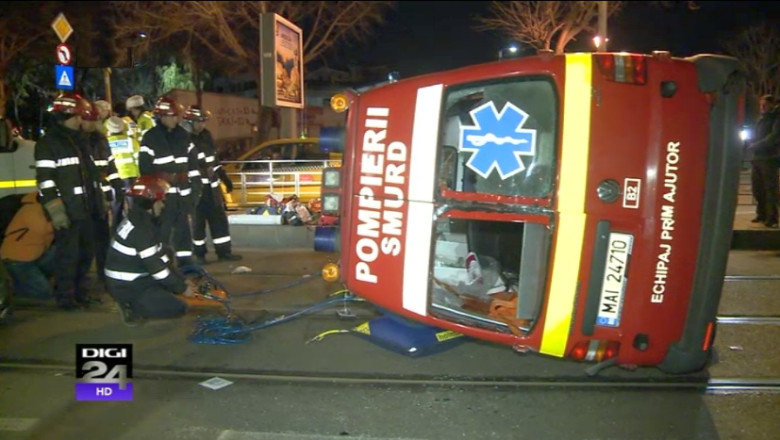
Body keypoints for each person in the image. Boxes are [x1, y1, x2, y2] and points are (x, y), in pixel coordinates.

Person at [34, 92, 100, 309]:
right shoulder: (49, 143)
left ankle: (81, 293)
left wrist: (100, 202)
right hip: (69, 212)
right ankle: (66, 298)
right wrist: (56, 211)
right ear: (71, 115)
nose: (83, 120)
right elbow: (45, 181)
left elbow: (90, 177)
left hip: (86, 210)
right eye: (80, 116)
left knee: (84, 255)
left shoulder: (80, 141)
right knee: (68, 258)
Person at [104, 175, 198, 326]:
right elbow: (157, 267)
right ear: (151, 203)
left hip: (133, 277)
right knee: (178, 308)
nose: (163, 205)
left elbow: (161, 256)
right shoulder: (143, 230)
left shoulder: (140, 220)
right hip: (128, 285)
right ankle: (129, 306)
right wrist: (183, 288)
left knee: (167, 252)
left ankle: (145, 298)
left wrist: (181, 280)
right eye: (161, 201)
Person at [138, 96, 202, 266]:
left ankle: (186, 263)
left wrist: (195, 190)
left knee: (183, 231)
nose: (176, 119)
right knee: (162, 232)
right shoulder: (150, 138)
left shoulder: (183, 136)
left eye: (177, 116)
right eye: (172, 116)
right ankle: (162, 265)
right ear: (162, 116)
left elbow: (193, 166)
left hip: (183, 194)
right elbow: (145, 170)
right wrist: (153, 198)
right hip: (163, 197)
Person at [181, 105, 242, 264]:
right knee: (198, 222)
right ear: (190, 121)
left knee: (219, 220)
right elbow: (182, 164)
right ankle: (200, 254)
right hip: (196, 188)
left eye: (204, 122)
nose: (203, 125)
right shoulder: (182, 139)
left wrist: (224, 177)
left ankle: (223, 252)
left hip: (212, 187)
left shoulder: (206, 135)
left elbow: (214, 160)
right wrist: (200, 171)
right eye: (199, 122)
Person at [81, 99, 123, 290]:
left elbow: (110, 164)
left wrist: (118, 186)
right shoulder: (76, 141)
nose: (92, 124)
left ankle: (104, 274)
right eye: (89, 120)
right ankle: (82, 278)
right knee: (85, 240)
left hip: (101, 196)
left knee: (102, 239)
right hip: (84, 197)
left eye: (94, 120)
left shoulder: (100, 140)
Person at [1, 192, 56, 299]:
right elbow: (41, 229)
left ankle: (28, 281)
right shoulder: (31, 209)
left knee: (62, 253)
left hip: (34, 255)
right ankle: (15, 288)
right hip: (17, 260)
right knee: (44, 293)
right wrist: (63, 221)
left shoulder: (42, 208)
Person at [746, 94, 780, 229]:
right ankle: (761, 214)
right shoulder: (761, 119)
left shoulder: (776, 118)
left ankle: (772, 217)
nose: (762, 107)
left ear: (772, 104)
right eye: (761, 105)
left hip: (769, 157)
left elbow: (774, 136)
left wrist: (757, 145)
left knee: (770, 188)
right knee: (757, 188)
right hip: (757, 157)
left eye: (765, 105)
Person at [106, 115, 139, 228]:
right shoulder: (130, 141)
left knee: (116, 207)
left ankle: (117, 230)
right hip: (131, 176)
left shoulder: (106, 143)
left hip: (115, 178)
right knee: (133, 206)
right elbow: (138, 159)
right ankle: (135, 228)